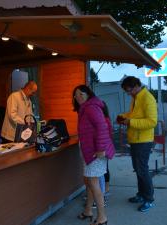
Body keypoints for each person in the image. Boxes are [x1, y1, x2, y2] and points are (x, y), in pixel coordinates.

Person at [73, 85, 115, 225]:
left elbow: (102, 127)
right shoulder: (86, 108)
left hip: (95, 153)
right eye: (76, 95)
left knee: (93, 182)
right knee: (89, 181)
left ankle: (102, 217)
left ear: (88, 94)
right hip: (90, 152)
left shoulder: (91, 107)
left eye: (81, 94)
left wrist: (101, 148)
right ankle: (88, 210)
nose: (78, 97)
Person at [116, 76, 157, 212]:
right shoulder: (136, 98)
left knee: (142, 170)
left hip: (143, 141)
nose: (129, 94)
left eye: (129, 91)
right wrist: (124, 116)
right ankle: (141, 195)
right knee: (138, 169)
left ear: (137, 86)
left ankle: (149, 199)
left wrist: (130, 122)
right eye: (127, 92)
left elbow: (152, 122)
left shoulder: (148, 98)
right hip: (135, 139)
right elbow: (134, 115)